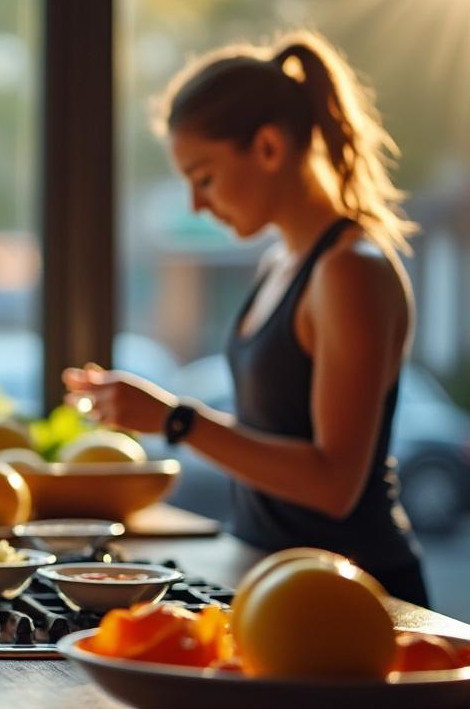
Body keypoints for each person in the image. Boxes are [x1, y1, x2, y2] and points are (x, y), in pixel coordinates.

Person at [63, 30, 428, 605]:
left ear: (268, 147)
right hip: (273, 578)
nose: (197, 204)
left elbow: (334, 484)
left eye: (203, 176)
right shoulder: (281, 261)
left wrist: (176, 421)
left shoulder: (349, 271)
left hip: (353, 596)